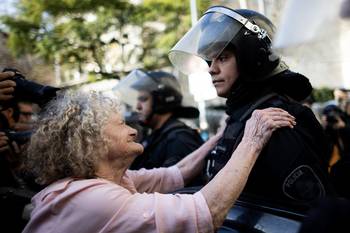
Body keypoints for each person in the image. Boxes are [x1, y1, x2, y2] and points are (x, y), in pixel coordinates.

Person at [22, 90, 295, 233]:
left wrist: (220, 136)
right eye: (120, 125)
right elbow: (207, 212)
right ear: (92, 142)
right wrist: (253, 138)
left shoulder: (107, 180)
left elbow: (177, 173)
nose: (132, 129)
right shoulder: (93, 199)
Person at [169, 6, 335, 210]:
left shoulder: (275, 120)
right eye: (210, 60)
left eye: (222, 57)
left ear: (251, 58)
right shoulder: (243, 116)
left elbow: (306, 213)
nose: (212, 68)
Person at [116, 69, 204, 172]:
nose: (137, 106)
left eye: (143, 99)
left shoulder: (178, 140)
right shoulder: (155, 136)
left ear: (161, 100)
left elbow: (178, 184)